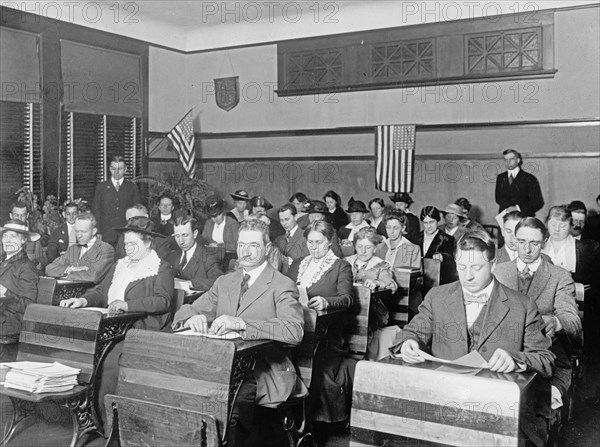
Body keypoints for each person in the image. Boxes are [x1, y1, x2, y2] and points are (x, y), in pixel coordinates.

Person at [172, 219, 305, 447]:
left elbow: (293, 330)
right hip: (220, 364)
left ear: (267, 248)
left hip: (264, 369)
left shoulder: (282, 285)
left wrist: (242, 323)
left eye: (253, 245)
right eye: (242, 245)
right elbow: (186, 310)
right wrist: (193, 317)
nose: (245, 251)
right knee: (181, 385)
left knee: (228, 400)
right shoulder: (225, 282)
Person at [392, 229, 555, 379]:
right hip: (443, 388)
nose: (468, 276)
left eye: (476, 267)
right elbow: (410, 332)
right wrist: (408, 343)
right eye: (461, 267)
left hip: (496, 396)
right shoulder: (437, 296)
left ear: (493, 264)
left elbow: (545, 359)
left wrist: (516, 360)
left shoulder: (524, 306)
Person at [60, 216, 174, 427]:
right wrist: (83, 299)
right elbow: (101, 291)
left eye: (134, 244)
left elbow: (162, 301)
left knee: (108, 361)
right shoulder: (120, 265)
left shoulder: (161, 267)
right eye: (126, 244)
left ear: (148, 242)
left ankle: (109, 424)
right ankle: (86, 416)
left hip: (141, 329)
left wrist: (128, 305)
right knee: (76, 350)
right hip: (111, 326)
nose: (128, 249)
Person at [493, 218, 581, 407]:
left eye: (534, 243)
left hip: (547, 354)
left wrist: (555, 321)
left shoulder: (559, 276)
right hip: (504, 350)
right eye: (521, 242)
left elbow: (573, 321)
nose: (527, 249)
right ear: (515, 240)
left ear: (544, 243)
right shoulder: (498, 272)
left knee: (532, 407)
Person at [287, 220, 354, 424]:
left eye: (319, 242)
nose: (314, 247)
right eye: (310, 242)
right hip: (294, 329)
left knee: (312, 368)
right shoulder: (298, 263)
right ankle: (285, 419)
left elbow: (347, 298)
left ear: (329, 242)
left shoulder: (341, 266)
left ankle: (308, 424)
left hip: (326, 337)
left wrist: (326, 301)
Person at [45, 212, 114, 283]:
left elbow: (93, 276)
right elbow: (49, 268)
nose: (79, 235)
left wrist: (67, 274)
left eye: (83, 232)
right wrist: (71, 269)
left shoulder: (106, 249)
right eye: (77, 231)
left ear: (93, 231)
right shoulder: (73, 249)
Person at [0, 220, 40, 340]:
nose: (7, 240)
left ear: (23, 240)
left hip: (10, 322)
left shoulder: (26, 266)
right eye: (5, 235)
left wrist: (4, 292)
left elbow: (28, 306)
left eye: (13, 236)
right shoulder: (2, 261)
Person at [543, 205, 600, 285]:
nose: (557, 229)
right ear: (547, 223)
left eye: (563, 226)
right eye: (553, 224)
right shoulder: (540, 245)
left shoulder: (585, 248)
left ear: (570, 226)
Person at [92, 155, 140, 246]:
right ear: (110, 169)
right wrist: (98, 231)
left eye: (120, 169)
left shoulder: (132, 187)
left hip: (126, 234)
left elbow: (136, 212)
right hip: (106, 234)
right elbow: (96, 210)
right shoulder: (101, 187)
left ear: (125, 169)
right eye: (114, 169)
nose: (117, 172)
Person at [166, 215, 223, 291]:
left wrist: (189, 283)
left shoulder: (209, 257)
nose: (181, 241)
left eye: (185, 235)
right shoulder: (171, 257)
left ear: (195, 234)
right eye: (177, 236)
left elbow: (219, 282)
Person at [495, 149, 544, 217]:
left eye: (511, 159)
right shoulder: (500, 177)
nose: (508, 162)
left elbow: (538, 202)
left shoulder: (529, 178)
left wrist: (518, 208)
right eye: (505, 160)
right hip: (505, 218)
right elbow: (498, 199)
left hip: (524, 217)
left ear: (518, 160)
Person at [416, 206, 457, 284]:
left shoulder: (447, 239)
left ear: (437, 220)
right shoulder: (415, 238)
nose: (428, 226)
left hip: (437, 281)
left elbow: (451, 260)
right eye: (425, 222)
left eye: (432, 222)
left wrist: (442, 256)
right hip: (418, 282)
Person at [0, 202, 45, 270]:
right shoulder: (2, 239)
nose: (19, 218)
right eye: (16, 215)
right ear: (11, 216)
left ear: (27, 216)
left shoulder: (34, 240)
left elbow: (41, 265)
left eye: (23, 215)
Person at [274, 204, 309, 273]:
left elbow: (307, 263)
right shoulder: (278, 240)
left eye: (287, 219)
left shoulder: (306, 237)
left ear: (295, 217)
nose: (284, 223)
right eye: (281, 220)